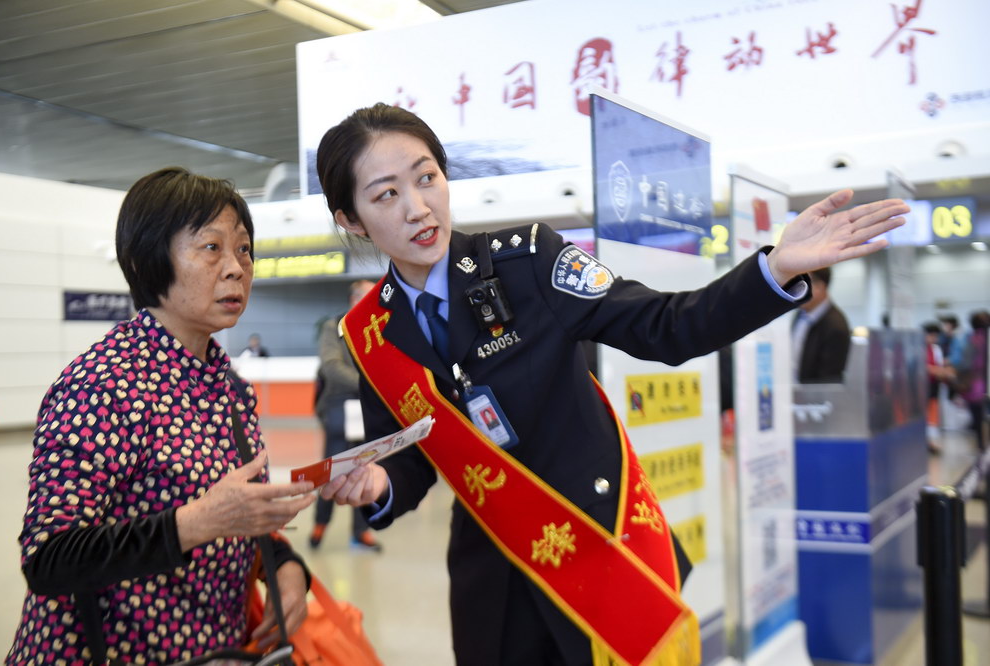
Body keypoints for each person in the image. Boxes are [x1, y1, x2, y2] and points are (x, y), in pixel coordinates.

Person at [314, 103, 907, 665]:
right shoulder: (370, 336)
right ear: (351, 220)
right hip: (491, 578)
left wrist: (774, 268)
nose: (419, 207)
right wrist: (379, 484)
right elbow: (412, 458)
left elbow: (669, 326)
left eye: (427, 178)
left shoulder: (528, 262)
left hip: (603, 547)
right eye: (387, 194)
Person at [7, 167, 317, 664]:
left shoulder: (228, 388)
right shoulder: (101, 385)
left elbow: (243, 514)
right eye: (212, 248)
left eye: (243, 248)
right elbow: (50, 558)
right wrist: (196, 523)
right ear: (150, 259)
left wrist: (285, 565)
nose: (237, 267)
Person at [309, 279, 382, 552]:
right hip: (341, 404)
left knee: (365, 467)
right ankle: (320, 523)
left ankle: (361, 531)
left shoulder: (378, 327)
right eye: (370, 295)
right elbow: (331, 367)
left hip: (369, 407)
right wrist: (369, 384)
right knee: (334, 468)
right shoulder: (334, 327)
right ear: (355, 300)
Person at [791, 266, 852, 383]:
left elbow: (829, 380)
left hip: (814, 398)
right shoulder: (800, 315)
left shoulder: (835, 327)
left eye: (803, 283)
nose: (796, 289)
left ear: (820, 286)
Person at [958, 310, 990, 451]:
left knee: (978, 418)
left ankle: (982, 448)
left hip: (977, 386)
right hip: (981, 384)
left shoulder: (972, 340)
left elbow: (966, 364)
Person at [923, 321, 954, 453]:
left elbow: (939, 366)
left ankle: (931, 442)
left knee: (933, 416)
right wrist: (935, 370)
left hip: (933, 386)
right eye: (931, 336)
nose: (933, 339)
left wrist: (942, 372)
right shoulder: (919, 348)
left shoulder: (936, 349)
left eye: (935, 336)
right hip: (922, 387)